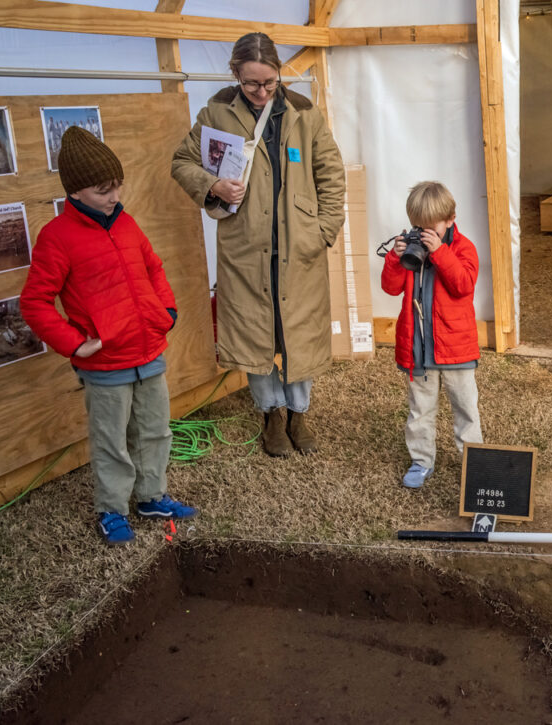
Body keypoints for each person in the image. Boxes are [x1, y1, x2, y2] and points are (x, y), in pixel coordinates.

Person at [19, 127, 197, 546]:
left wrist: (165, 311)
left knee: (156, 431)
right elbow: (35, 302)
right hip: (104, 364)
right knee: (112, 442)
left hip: (149, 351)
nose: (115, 195)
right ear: (76, 192)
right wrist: (75, 344)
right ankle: (112, 510)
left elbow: (153, 268)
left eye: (117, 185)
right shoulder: (56, 238)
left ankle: (152, 496)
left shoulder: (128, 223)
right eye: (104, 189)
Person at [171, 32, 346, 457]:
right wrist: (213, 185)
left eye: (270, 82)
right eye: (252, 84)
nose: (262, 91)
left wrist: (322, 231)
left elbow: (331, 175)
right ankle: (270, 414)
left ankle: (298, 415)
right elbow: (182, 162)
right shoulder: (215, 113)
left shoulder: (306, 114)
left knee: (297, 331)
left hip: (298, 249)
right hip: (246, 249)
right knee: (256, 334)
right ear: (235, 74)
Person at [381, 182, 483, 489]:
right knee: (420, 409)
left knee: (465, 407)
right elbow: (390, 287)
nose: (424, 234)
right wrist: (395, 259)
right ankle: (421, 460)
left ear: (451, 219)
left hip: (456, 349)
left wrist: (440, 252)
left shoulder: (463, 249)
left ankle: (473, 462)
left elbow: (463, 285)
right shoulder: (413, 250)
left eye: (431, 227)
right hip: (418, 349)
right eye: (417, 227)